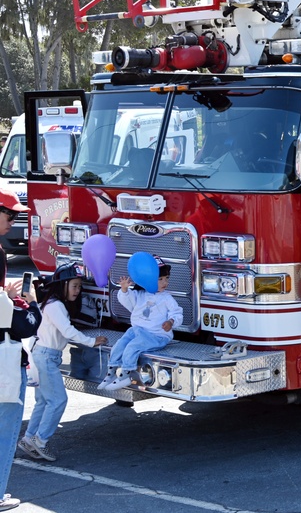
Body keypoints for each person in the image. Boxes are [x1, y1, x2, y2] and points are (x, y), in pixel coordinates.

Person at [18, 264, 107, 462]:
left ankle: (29, 439)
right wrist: (93, 341)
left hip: (43, 355)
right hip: (47, 357)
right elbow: (68, 331)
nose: (77, 291)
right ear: (63, 285)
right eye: (74, 286)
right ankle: (40, 442)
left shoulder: (50, 303)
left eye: (78, 287)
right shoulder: (55, 306)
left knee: (44, 401)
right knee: (58, 401)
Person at [0, 188, 38, 511]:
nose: (14, 221)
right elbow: (11, 320)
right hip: (4, 354)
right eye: (10, 215)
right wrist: (19, 303)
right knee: (7, 423)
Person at [98, 257, 182, 391]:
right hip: (138, 331)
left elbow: (177, 313)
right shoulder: (139, 294)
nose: (165, 282)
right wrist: (124, 290)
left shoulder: (166, 298)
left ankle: (125, 375)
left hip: (157, 336)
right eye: (160, 279)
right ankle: (111, 372)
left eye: (166, 278)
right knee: (120, 344)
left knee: (132, 346)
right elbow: (127, 301)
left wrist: (171, 322)